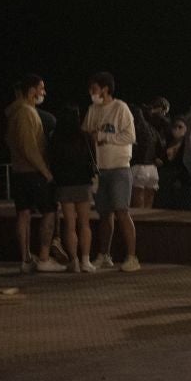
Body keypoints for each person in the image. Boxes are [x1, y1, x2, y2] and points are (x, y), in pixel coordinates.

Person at [5, 75, 65, 272]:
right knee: (49, 211)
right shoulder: (26, 113)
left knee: (23, 213)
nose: (44, 93)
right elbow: (30, 147)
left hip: (18, 171)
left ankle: (26, 259)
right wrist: (46, 171)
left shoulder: (13, 113)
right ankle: (44, 257)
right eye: (41, 88)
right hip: (33, 173)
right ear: (31, 90)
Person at [83, 72, 140, 272]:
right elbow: (87, 132)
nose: (92, 93)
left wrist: (104, 136)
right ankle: (104, 254)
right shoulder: (92, 109)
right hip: (100, 169)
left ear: (106, 89)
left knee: (122, 211)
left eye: (95, 89)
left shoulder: (120, 108)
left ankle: (132, 257)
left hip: (120, 167)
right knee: (104, 213)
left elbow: (130, 136)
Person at [50, 105, 96, 273]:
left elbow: (52, 160)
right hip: (83, 183)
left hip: (64, 184)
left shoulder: (56, 137)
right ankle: (86, 260)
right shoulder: (85, 136)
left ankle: (74, 261)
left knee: (69, 224)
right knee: (85, 223)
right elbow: (93, 159)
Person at [129, 101, 161, 209]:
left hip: (139, 167)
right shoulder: (152, 129)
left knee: (137, 205)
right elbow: (160, 147)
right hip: (153, 169)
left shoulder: (134, 129)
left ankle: (138, 225)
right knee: (148, 205)